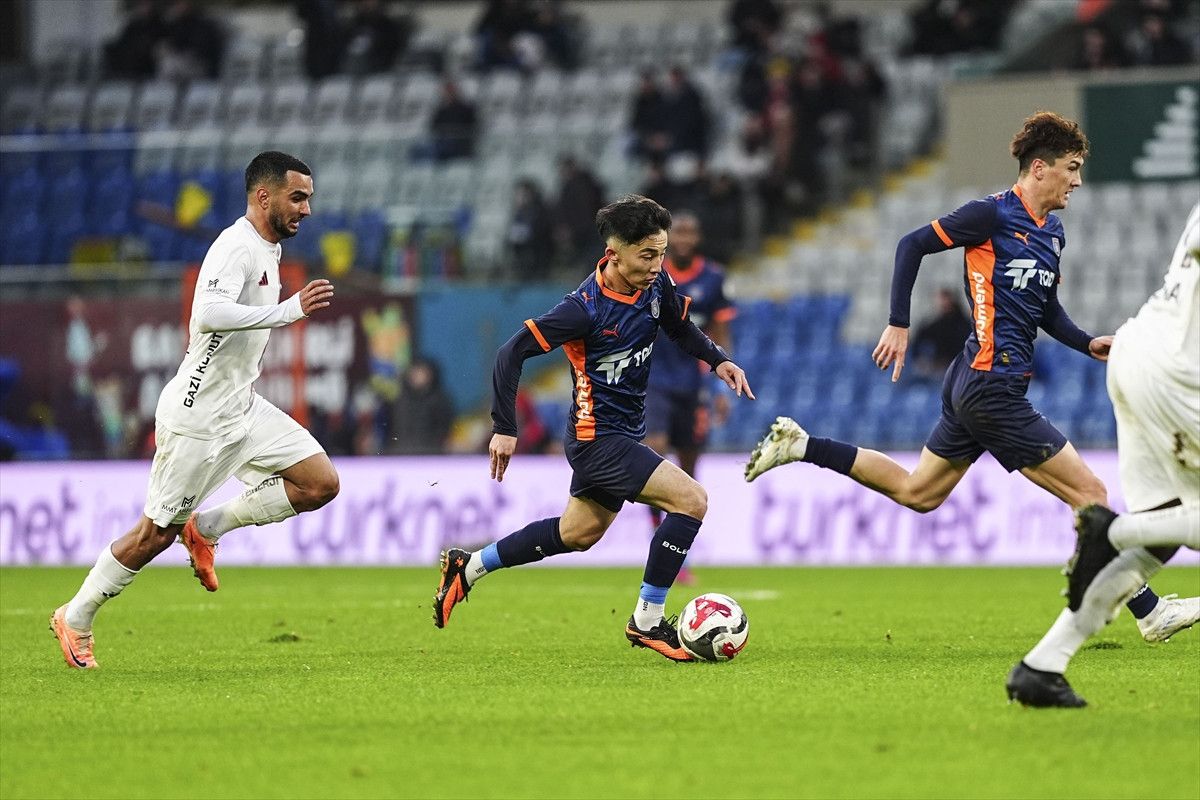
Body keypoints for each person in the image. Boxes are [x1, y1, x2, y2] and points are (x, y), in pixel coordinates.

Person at [743, 111, 1197, 642]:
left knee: (919, 493)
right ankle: (1148, 612)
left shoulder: (1052, 233)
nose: (1077, 180)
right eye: (1071, 169)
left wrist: (1085, 341)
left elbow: (1046, 310)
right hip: (989, 384)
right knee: (1090, 492)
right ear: (1040, 168)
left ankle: (801, 446)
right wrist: (898, 323)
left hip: (976, 383)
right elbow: (911, 244)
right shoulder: (990, 215)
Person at [50, 152, 340, 669]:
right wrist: (288, 310)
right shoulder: (235, 247)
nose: (308, 209)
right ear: (263, 196)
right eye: (298, 197)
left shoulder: (268, 249)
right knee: (152, 535)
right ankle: (76, 616)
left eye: (309, 198)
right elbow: (205, 315)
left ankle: (206, 528)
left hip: (242, 408)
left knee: (319, 483)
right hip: (197, 418)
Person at [432, 195, 754, 661]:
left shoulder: (654, 282)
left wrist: (718, 360)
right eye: (647, 255)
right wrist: (504, 426)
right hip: (597, 440)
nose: (657, 264)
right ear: (614, 251)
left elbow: (680, 328)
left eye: (660, 253)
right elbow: (510, 352)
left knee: (577, 533)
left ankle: (468, 566)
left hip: (622, 433)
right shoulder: (584, 309)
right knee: (692, 500)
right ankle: (646, 622)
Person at [1006, 203, 1200, 708]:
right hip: (1177, 376)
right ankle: (1111, 530)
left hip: (1137, 352)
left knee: (1161, 533)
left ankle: (1042, 666)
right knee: (1170, 525)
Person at [644, 212, 736, 583]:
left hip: (693, 386)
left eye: (689, 232)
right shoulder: (652, 273)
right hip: (652, 383)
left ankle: (676, 551)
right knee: (655, 455)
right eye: (676, 232)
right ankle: (657, 542)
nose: (683, 238)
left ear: (696, 238)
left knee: (688, 473)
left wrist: (719, 384)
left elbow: (721, 331)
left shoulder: (712, 278)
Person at [911, 287, 972, 381]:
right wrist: (920, 359)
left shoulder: (963, 324)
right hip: (942, 366)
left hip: (959, 365)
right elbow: (919, 337)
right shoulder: (936, 324)